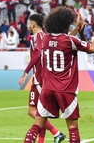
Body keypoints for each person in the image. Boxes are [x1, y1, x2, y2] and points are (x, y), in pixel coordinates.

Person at [23, 7, 94, 143]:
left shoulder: (45, 40)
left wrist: (76, 30)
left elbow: (62, 41)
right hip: (66, 90)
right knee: (73, 129)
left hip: (47, 89)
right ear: (65, 25)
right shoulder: (70, 41)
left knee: (36, 126)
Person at [19, 14, 65, 143]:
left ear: (33, 24)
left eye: (28, 23)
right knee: (41, 112)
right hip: (41, 78)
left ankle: (57, 133)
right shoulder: (40, 36)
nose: (27, 26)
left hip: (40, 79)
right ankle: (43, 140)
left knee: (32, 111)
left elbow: (38, 54)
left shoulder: (38, 36)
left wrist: (25, 72)